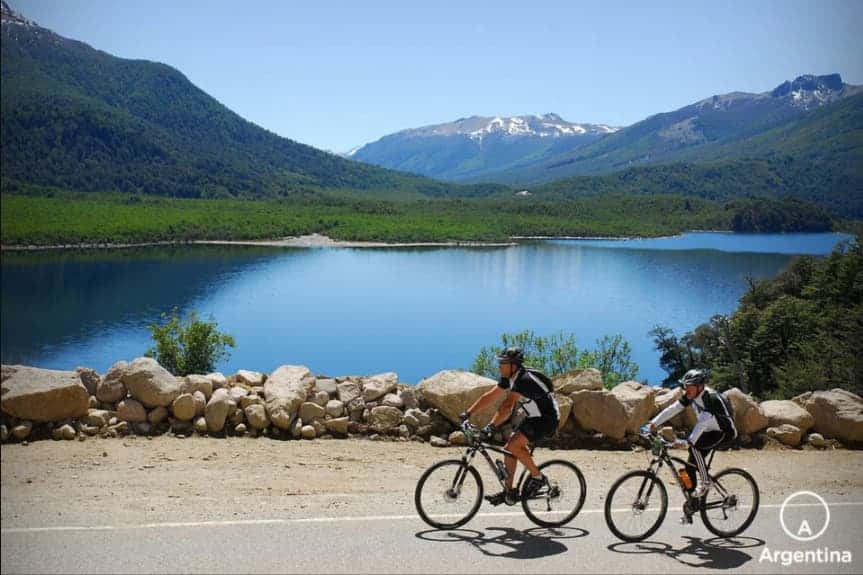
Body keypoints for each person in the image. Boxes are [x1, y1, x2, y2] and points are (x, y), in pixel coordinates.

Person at [460, 346, 560, 506]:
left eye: (503, 363)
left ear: (513, 365)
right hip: (533, 415)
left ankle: (538, 477)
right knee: (509, 449)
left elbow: (506, 407)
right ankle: (509, 492)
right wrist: (468, 413)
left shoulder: (524, 380)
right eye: (500, 362)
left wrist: (490, 427)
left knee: (514, 446)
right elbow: (490, 396)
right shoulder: (510, 378)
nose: (500, 366)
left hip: (547, 419)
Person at [644, 369, 737, 499]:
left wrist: (689, 441)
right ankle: (692, 500)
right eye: (685, 386)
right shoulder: (691, 395)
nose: (686, 389)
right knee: (688, 467)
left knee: (695, 448)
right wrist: (653, 423)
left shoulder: (711, 399)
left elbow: (702, 422)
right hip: (708, 431)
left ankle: (706, 482)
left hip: (724, 432)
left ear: (700, 387)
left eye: (689, 387)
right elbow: (674, 408)